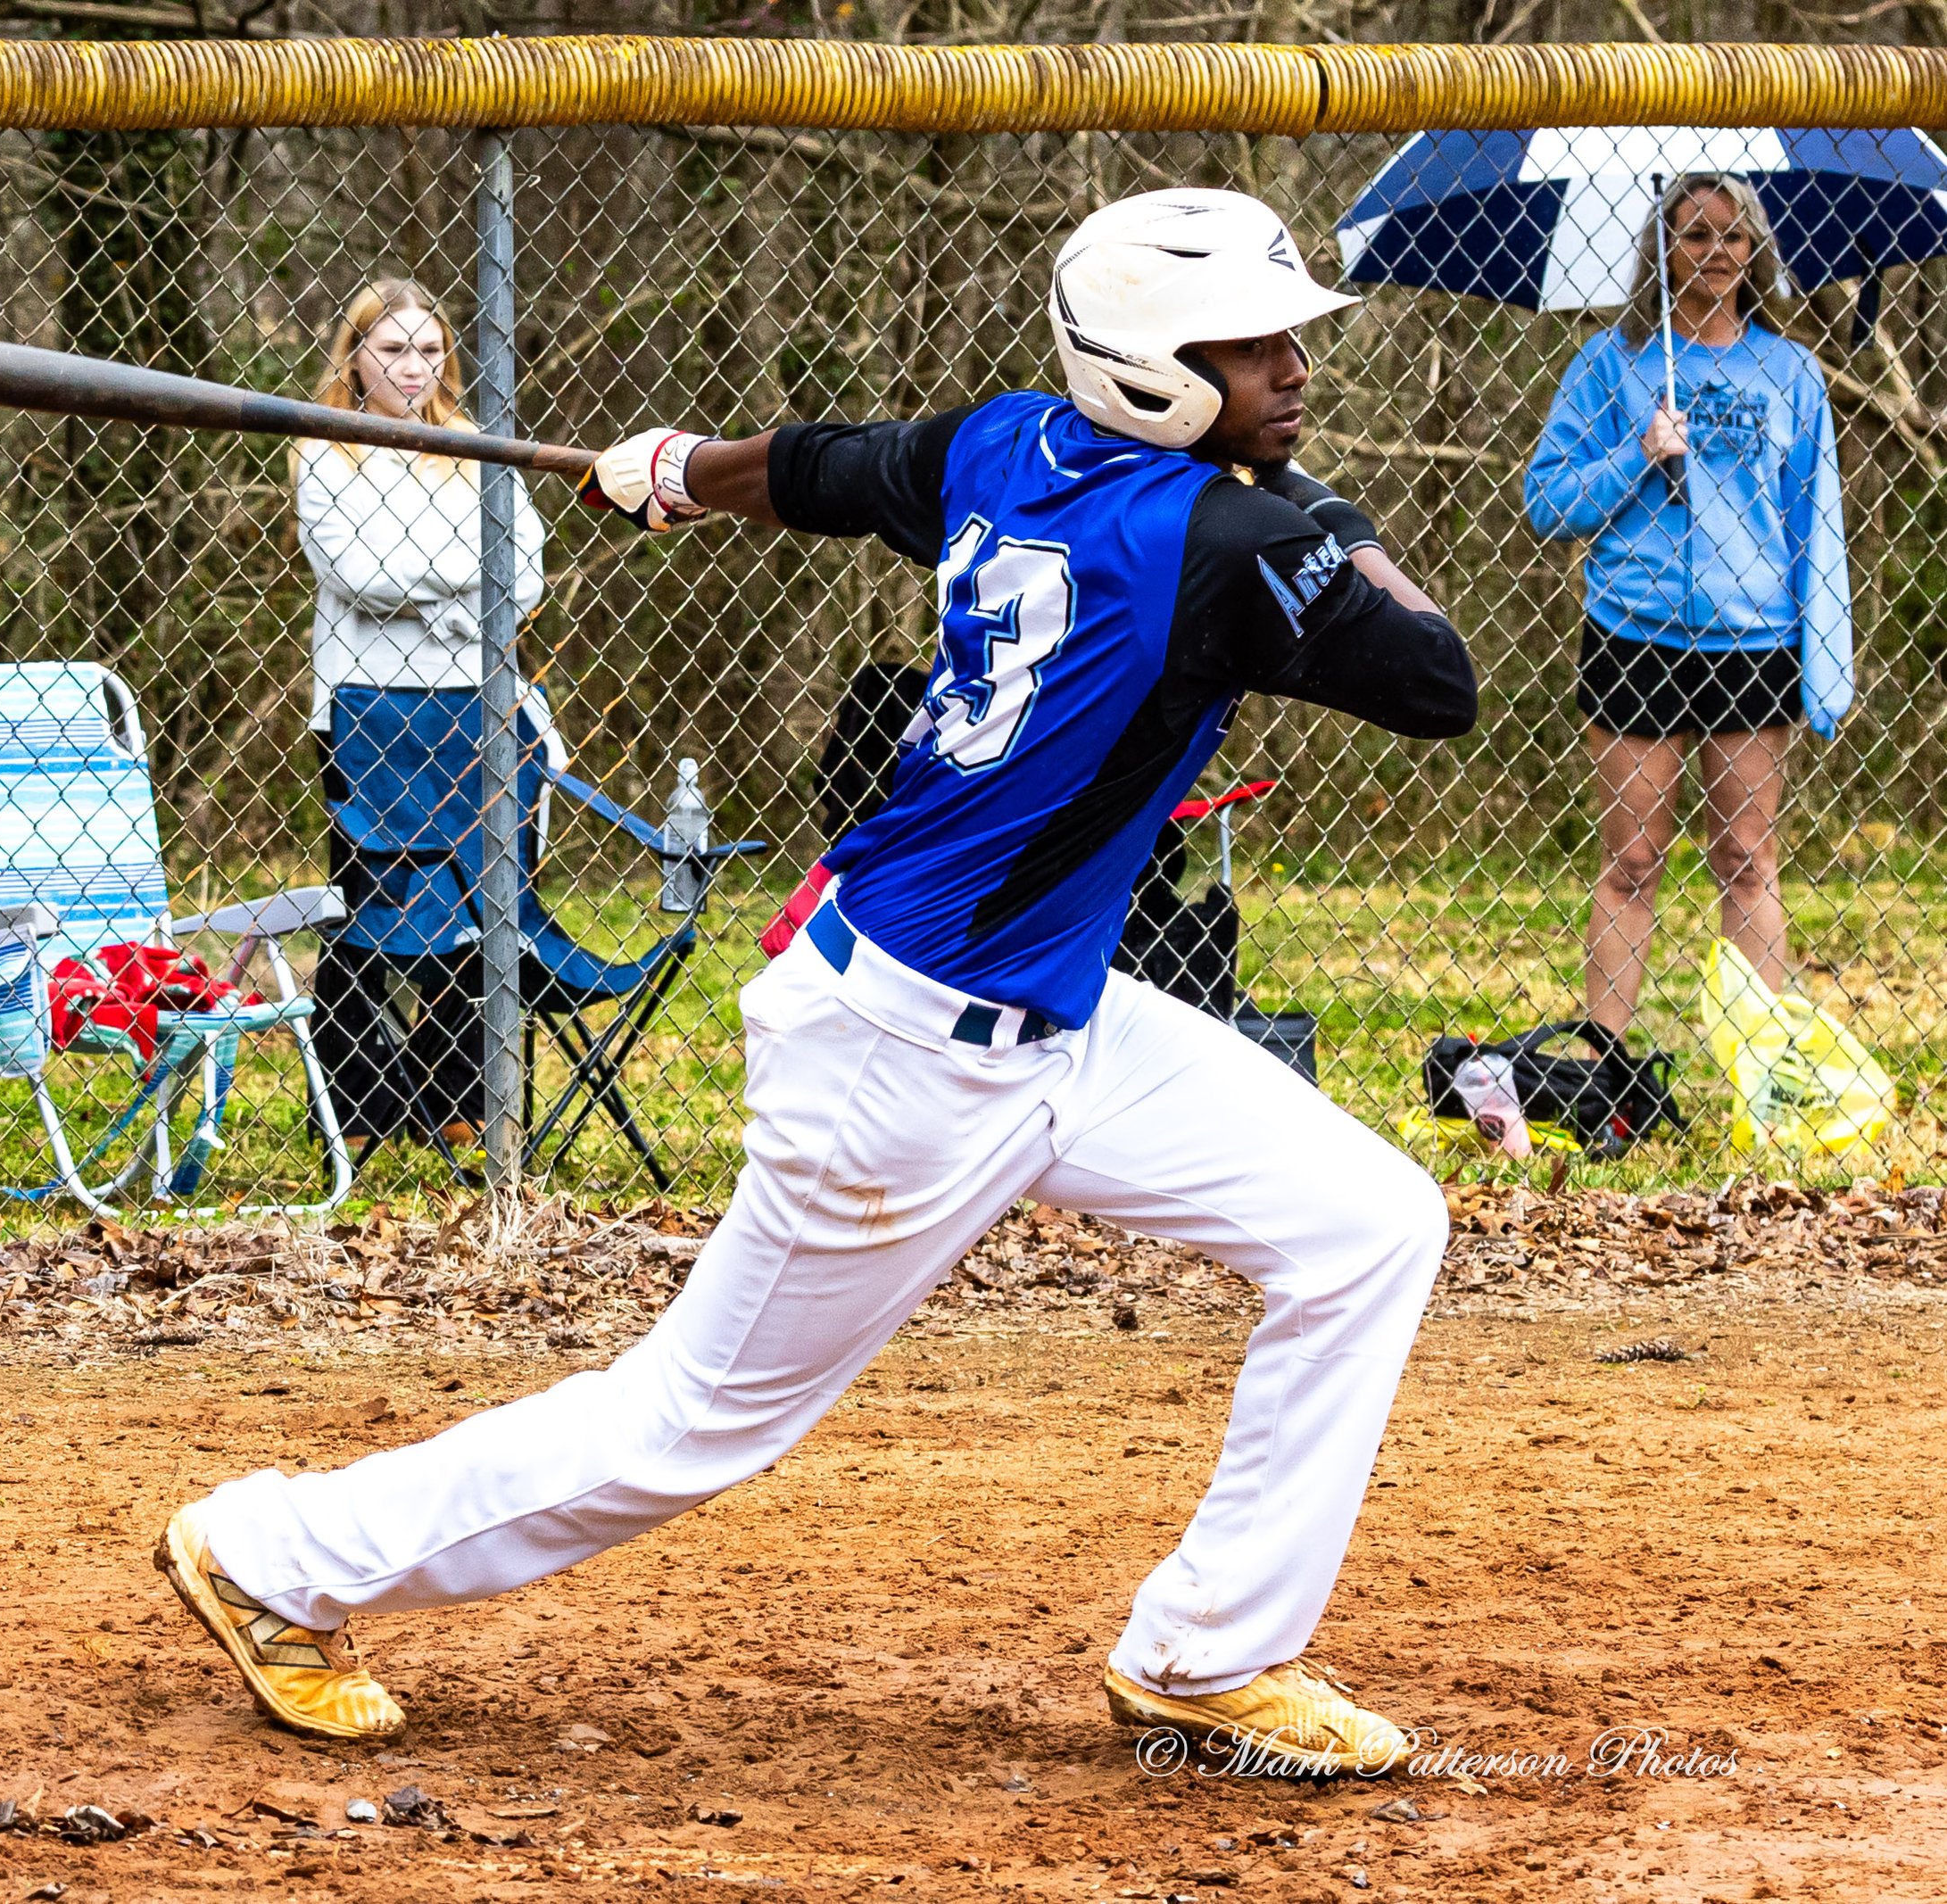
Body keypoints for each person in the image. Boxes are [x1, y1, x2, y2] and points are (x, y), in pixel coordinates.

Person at [156, 190, 1477, 1771]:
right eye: (1247, 347)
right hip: (904, 1052)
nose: (1288, 369)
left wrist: (678, 475)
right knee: (685, 1424)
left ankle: (1210, 1652)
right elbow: (1437, 678)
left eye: (1283, 342)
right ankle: (277, 1555)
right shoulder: (1233, 535)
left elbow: (837, 469)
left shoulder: (1014, 441)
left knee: (1369, 1223)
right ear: (1145, 368)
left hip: (1051, 1011)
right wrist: (1303, 506)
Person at [1526, 172, 1851, 1035]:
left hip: (1755, 642)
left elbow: (1813, 525)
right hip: (1635, 635)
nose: (1715, 252)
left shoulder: (1790, 371)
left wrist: (1825, 661)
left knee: (1748, 859)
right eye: (1695, 235)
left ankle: (1771, 1076)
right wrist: (1638, 455)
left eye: (1734, 235)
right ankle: (1604, 1066)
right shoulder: (1611, 363)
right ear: (1661, 251)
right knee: (1632, 862)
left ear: (1758, 251)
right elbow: (1547, 504)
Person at [294, 278, 547, 1150]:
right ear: (355, 354)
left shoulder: (476, 443)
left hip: (475, 706)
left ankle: (457, 1096)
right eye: (394, 348)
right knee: (375, 900)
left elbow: (528, 566)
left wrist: (439, 580)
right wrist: (465, 578)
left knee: (482, 897)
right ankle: (356, 1103)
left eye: (430, 349)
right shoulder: (326, 445)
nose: (414, 365)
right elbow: (357, 575)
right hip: (363, 709)